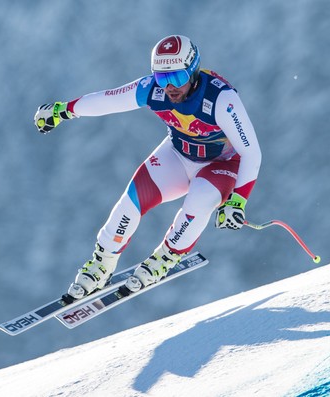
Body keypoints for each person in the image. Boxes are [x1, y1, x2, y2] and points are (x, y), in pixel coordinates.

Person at [34, 35, 262, 301]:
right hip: (178, 154)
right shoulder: (152, 88)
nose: (170, 88)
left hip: (221, 165)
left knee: (199, 200)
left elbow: (251, 152)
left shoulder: (221, 98)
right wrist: (64, 110)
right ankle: (101, 263)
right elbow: (109, 100)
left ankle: (166, 256)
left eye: (176, 78)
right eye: (162, 78)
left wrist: (237, 200)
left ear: (193, 71)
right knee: (129, 203)